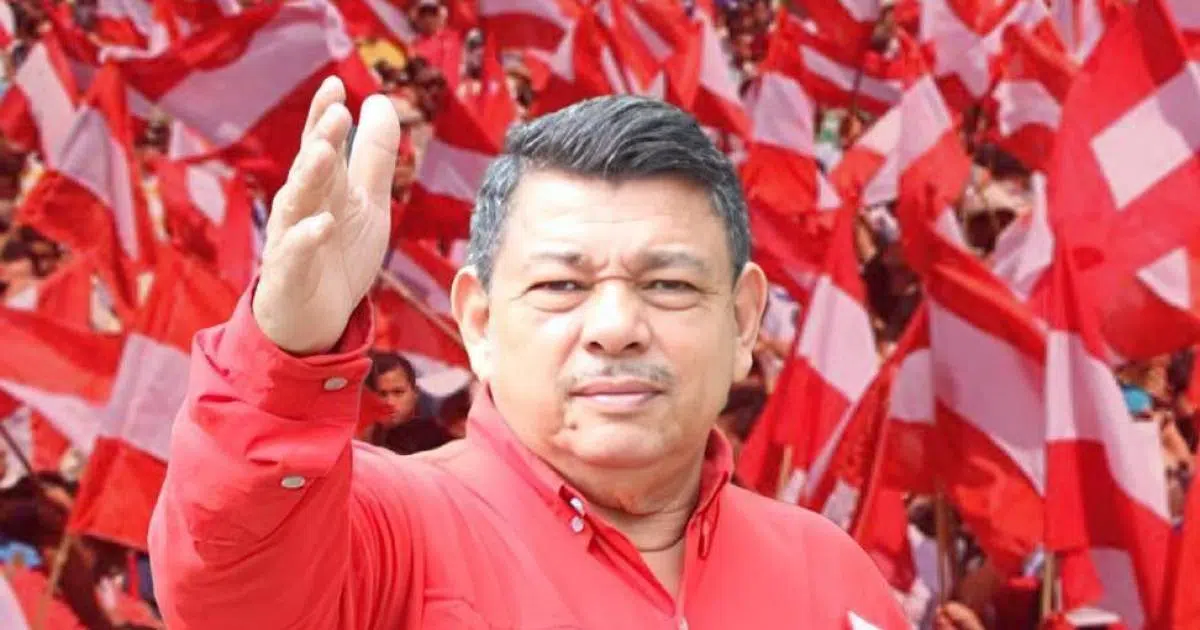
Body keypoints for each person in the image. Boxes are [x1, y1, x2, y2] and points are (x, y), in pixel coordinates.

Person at [148, 77, 908, 628]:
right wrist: (285, 358)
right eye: (560, 285)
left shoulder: (829, 571)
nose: (616, 326)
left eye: (669, 284)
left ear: (743, 322)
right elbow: (233, 592)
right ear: (478, 322)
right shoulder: (389, 528)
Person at [359, 351, 452, 455]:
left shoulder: (438, 439)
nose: (390, 402)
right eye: (382, 394)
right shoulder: (358, 439)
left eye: (398, 392)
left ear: (416, 392)